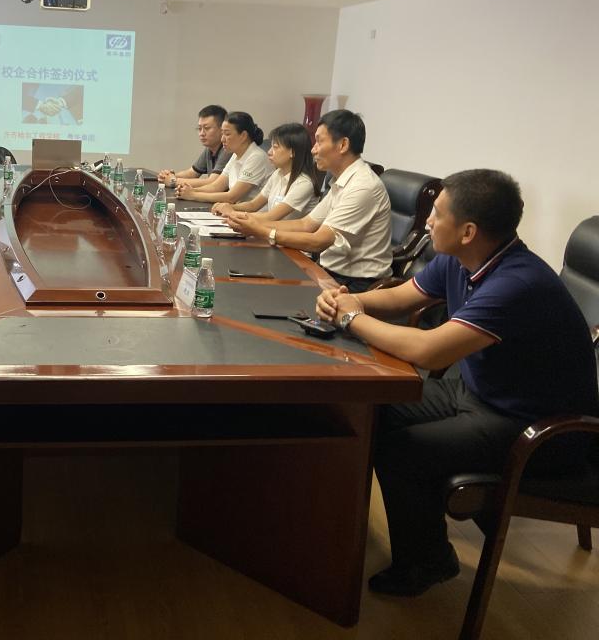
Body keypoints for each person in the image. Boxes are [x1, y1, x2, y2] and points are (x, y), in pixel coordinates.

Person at [315, 169, 599, 597]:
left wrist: (351, 319)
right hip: (481, 394)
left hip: (541, 430)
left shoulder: (517, 283)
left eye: (437, 213)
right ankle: (346, 526)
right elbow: (402, 297)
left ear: (468, 232)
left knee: (404, 450)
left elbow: (429, 351)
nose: (427, 220)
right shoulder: (461, 258)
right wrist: (351, 299)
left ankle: (429, 561)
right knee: (374, 405)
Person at [227, 110, 391, 291]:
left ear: (343, 145)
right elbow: (306, 224)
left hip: (357, 284)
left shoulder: (362, 186)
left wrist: (262, 231)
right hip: (329, 271)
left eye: (319, 141)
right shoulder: (342, 180)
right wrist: (250, 222)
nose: (313, 149)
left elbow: (319, 240)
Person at [212, 122, 318, 222]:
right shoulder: (278, 174)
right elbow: (253, 205)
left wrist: (232, 213)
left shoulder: (304, 183)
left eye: (275, 147)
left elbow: (271, 217)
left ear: (292, 152)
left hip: (287, 234)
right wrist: (229, 207)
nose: (269, 152)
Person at [174, 111, 273, 205]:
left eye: (227, 134)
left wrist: (193, 195)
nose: (222, 139)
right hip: (237, 211)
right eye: (222, 134)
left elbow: (232, 197)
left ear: (243, 135)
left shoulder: (256, 157)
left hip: (255, 214)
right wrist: (190, 190)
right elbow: (216, 186)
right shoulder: (236, 154)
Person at [157, 105, 229, 187]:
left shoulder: (228, 149)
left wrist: (173, 181)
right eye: (199, 128)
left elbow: (212, 182)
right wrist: (168, 176)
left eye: (207, 128)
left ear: (222, 129)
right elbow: (192, 173)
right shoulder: (210, 148)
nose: (202, 133)